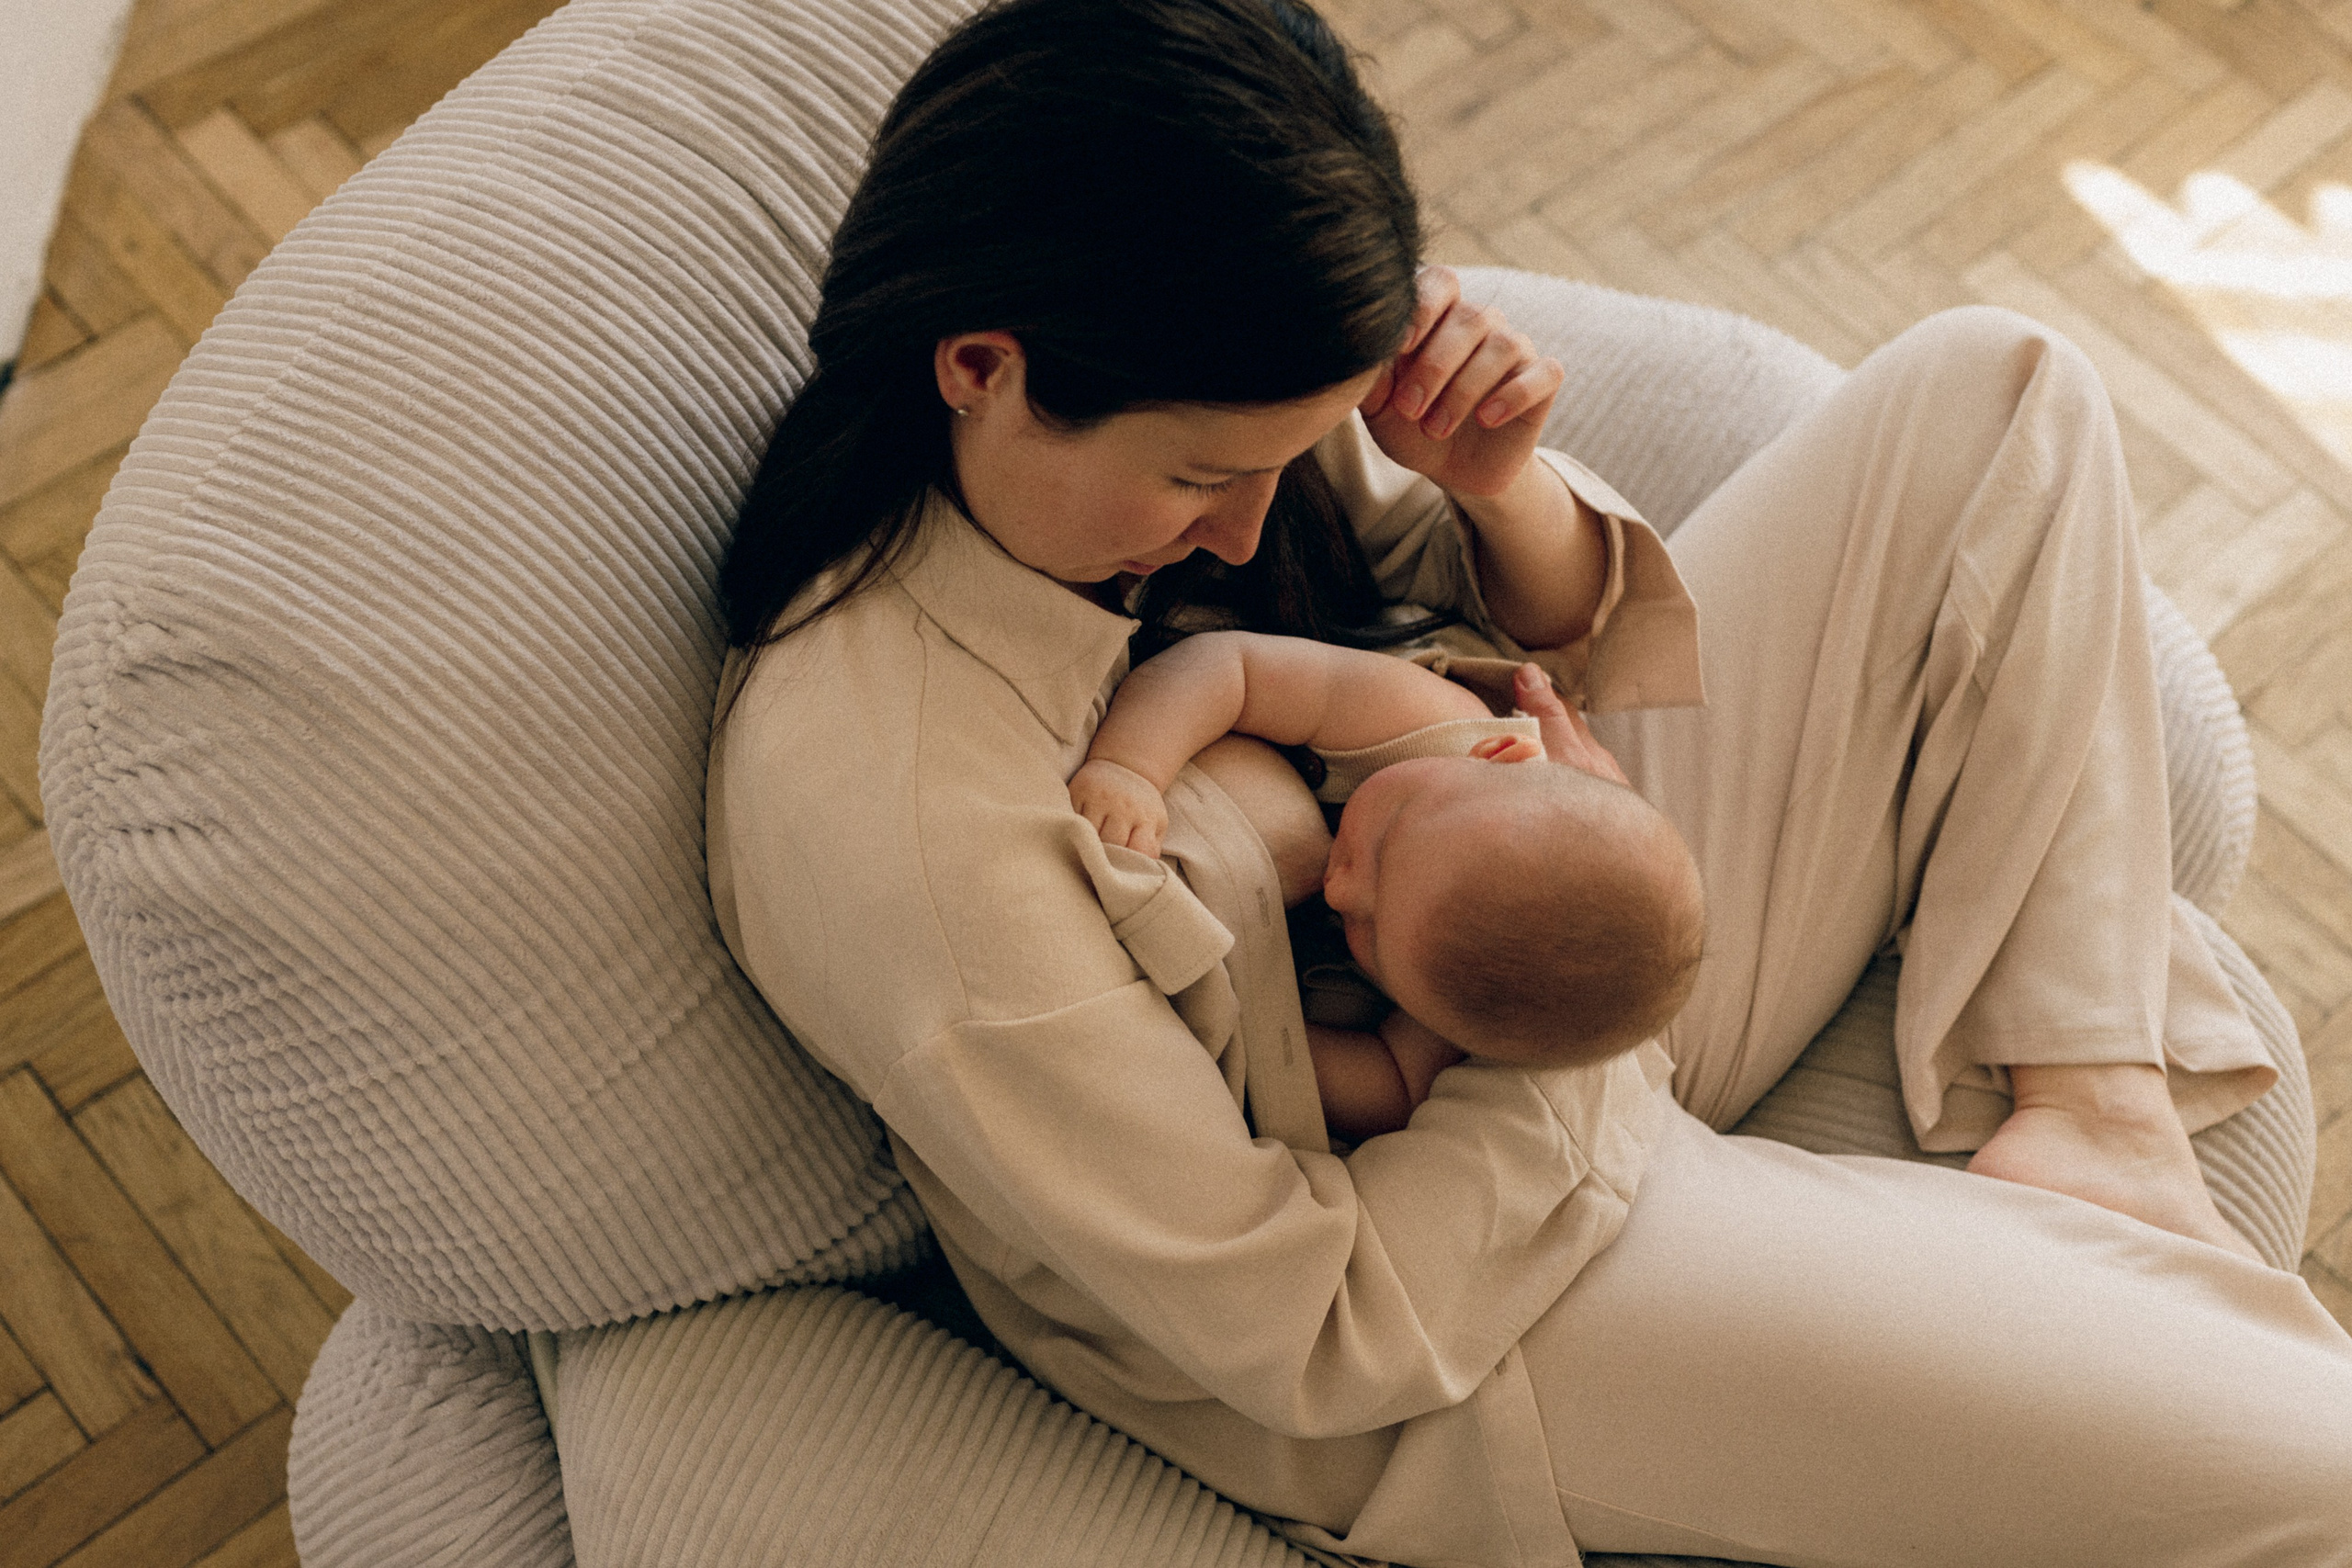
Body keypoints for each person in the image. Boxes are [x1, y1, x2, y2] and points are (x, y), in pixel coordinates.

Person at [655, 0, 2352, 1560]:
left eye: (1276, 461)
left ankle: (2095, 1109)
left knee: (2002, 394)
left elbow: (1563, 644)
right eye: (1204, 478)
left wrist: (1499, 490)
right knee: (2313, 1469)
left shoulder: (1180, 380)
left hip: (1537, 917)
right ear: (980, 365)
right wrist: (1580, 1016)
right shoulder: (895, 823)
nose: (1252, 527)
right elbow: (1311, 1329)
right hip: (1471, 1280)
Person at [1068, 633, 1705, 1140]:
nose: (1341, 892)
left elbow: (1392, 1083)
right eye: (1389, 838)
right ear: (1496, 756)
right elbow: (1230, 668)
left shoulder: (1475, 984)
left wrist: (1249, 1029)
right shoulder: (1426, 720)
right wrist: (1131, 767)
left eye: (1372, 936)